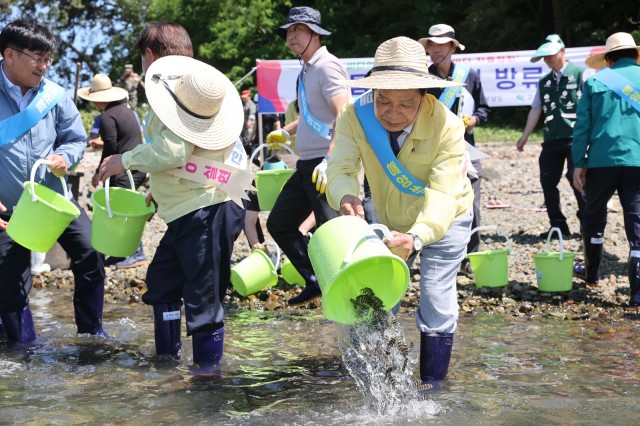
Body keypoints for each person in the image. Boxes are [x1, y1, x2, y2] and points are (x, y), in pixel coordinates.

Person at [98, 23, 251, 369]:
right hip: (193, 207)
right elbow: (194, 154)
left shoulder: (180, 91)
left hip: (208, 208)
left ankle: (207, 383)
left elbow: (173, 151)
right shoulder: (191, 86)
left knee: (204, 300)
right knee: (162, 282)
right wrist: (157, 190)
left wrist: (125, 160)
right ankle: (167, 363)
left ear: (150, 56)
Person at [327, 37, 474, 385]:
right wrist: (346, 195)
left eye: (406, 103)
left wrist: (417, 237)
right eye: (383, 100)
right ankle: (379, 380)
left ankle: (433, 386)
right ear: (372, 93)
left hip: (446, 218)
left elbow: (442, 195)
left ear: (424, 95)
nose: (393, 112)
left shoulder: (448, 127)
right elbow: (341, 168)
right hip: (389, 217)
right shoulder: (354, 116)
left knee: (435, 295)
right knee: (376, 297)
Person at [0, 18, 107, 343]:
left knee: (91, 251)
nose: (45, 66)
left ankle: (91, 336)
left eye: (48, 59)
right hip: (8, 207)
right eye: (38, 58)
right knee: (9, 278)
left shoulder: (55, 95)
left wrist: (66, 156)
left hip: (53, 199)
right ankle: (21, 352)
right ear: (9, 55)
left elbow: (75, 139)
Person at [265, 6, 349, 306]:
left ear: (315, 33)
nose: (291, 37)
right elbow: (314, 115)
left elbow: (343, 114)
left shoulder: (327, 66)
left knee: (332, 235)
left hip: (324, 164)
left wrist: (329, 160)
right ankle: (315, 280)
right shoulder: (306, 69)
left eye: (297, 31)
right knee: (279, 224)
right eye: (288, 32)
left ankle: (349, 293)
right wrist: (287, 132)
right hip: (306, 165)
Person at [571, 32, 640, 304]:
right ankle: (637, 296)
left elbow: (583, 125)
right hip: (637, 161)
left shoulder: (596, 80)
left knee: (594, 218)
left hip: (601, 161)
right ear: (635, 54)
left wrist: (579, 162)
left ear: (608, 59)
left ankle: (592, 275)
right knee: (636, 225)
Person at [419, 24, 490, 278]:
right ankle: (435, 251)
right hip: (432, 148)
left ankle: (471, 255)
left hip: (465, 147)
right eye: (431, 45)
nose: (435, 50)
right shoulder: (423, 77)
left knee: (473, 200)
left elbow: (484, 108)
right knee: (432, 199)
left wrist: (474, 120)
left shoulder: (468, 75)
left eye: (440, 45)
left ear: (452, 47)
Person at [516, 34, 586, 239]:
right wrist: (525, 135)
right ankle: (558, 225)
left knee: (578, 179)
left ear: (562, 52)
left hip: (576, 137)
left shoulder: (580, 74)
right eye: (544, 57)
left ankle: (587, 223)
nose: (547, 60)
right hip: (552, 138)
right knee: (547, 181)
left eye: (550, 56)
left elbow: (591, 105)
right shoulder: (544, 81)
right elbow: (536, 109)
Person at [77, 73, 148, 268]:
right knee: (123, 208)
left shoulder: (107, 117)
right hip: (138, 167)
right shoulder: (127, 111)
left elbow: (111, 147)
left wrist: (100, 171)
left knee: (124, 212)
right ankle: (121, 252)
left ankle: (136, 253)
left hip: (124, 169)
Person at [240, 89, 256, 154]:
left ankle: (248, 152)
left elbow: (252, 114)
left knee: (248, 137)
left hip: (249, 124)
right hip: (243, 124)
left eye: (245, 98)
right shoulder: (243, 104)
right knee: (242, 137)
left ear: (249, 96)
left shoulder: (251, 104)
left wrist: (249, 121)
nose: (244, 99)